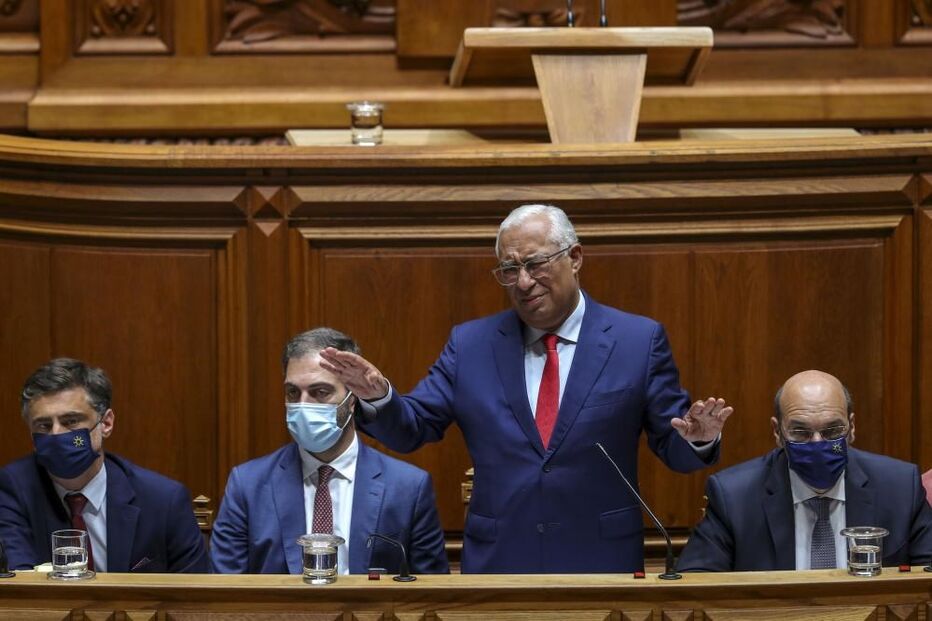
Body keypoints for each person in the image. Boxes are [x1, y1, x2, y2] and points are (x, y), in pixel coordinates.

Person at [319, 204, 733, 573]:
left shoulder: (637, 341)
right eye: (509, 270)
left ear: (575, 258)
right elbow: (412, 428)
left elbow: (674, 447)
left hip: (601, 560)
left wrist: (699, 440)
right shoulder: (470, 345)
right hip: (501, 559)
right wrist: (378, 396)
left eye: (535, 264)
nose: (522, 282)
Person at [210, 327, 449, 575]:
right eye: (293, 392)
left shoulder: (408, 487)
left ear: (353, 398)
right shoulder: (247, 485)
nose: (303, 404)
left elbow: (430, 594)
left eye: (320, 392)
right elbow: (225, 591)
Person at [677, 369, 932, 572]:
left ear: (851, 427)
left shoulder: (899, 488)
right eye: (801, 432)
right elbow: (696, 584)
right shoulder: (734, 496)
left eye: (832, 431)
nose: (818, 443)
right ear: (777, 432)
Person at [0, 358, 208, 572]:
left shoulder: (163, 500)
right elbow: (17, 583)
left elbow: (194, 594)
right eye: (43, 425)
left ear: (106, 423)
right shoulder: (12, 489)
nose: (56, 434)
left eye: (71, 421)